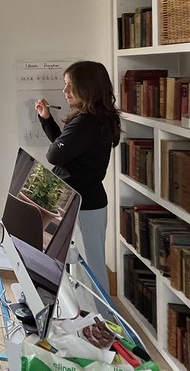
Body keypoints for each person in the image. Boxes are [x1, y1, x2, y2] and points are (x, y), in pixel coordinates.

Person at [35, 60, 120, 293]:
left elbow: (54, 155)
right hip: (82, 200)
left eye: (71, 85)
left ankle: (101, 315)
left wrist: (53, 133)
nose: (65, 90)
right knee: (85, 264)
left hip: (83, 203)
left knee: (91, 268)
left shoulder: (86, 122)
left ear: (88, 87)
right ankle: (86, 312)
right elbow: (66, 150)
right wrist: (47, 120)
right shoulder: (96, 117)